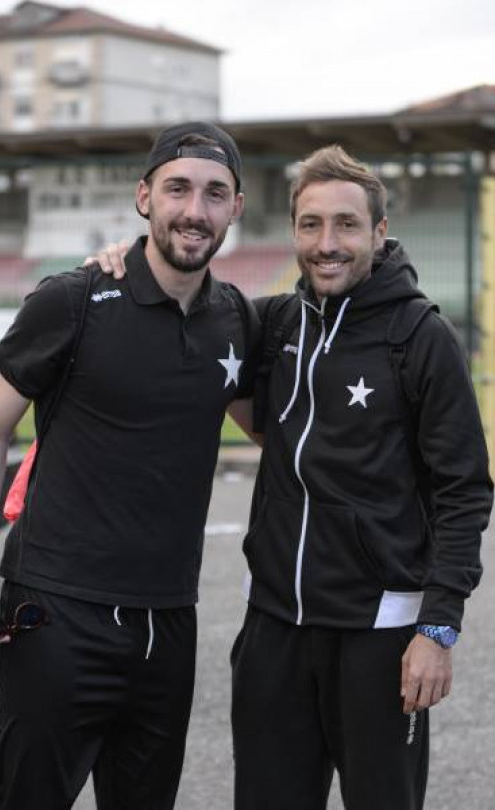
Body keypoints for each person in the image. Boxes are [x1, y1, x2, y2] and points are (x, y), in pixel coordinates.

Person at [91, 145, 493, 810]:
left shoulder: (421, 337)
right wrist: (120, 260)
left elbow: (465, 491)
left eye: (346, 224)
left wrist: (438, 628)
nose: (326, 243)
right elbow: (180, 302)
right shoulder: (272, 322)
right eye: (311, 225)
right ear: (294, 232)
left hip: (380, 636)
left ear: (380, 233)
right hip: (273, 632)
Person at [0, 121, 260, 810]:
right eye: (178, 189)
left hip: (167, 621)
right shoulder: (71, 300)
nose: (195, 210)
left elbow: (280, 433)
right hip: (55, 610)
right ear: (144, 197)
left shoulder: (238, 319)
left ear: (236, 208)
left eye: (215, 194)